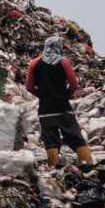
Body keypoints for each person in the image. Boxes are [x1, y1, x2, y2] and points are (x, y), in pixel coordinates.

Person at [25, 36, 94, 166]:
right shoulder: (63, 62)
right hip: (63, 108)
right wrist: (67, 95)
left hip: (45, 109)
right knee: (75, 138)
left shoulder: (34, 63)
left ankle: (54, 168)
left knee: (50, 140)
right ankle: (89, 165)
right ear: (59, 48)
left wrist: (41, 95)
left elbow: (29, 86)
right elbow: (74, 84)